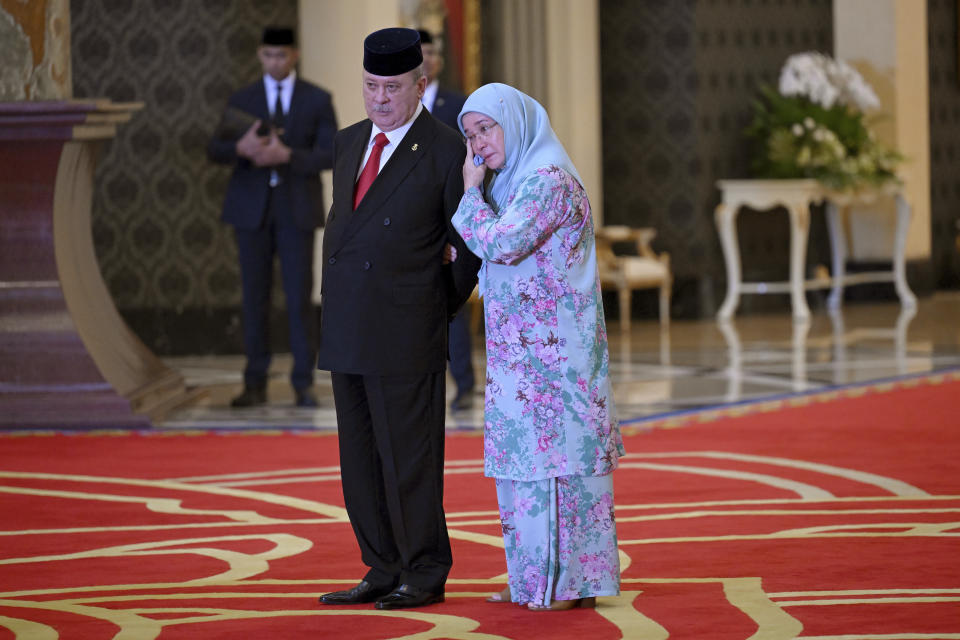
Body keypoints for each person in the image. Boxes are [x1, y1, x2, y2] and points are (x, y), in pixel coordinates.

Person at [315, 28, 480, 610]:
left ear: (419, 85)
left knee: (409, 459)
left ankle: (424, 571)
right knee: (358, 460)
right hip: (346, 324)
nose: (380, 98)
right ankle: (381, 566)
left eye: (392, 87)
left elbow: (466, 247)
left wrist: (434, 306)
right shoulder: (347, 142)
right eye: (370, 86)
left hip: (407, 326)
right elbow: (343, 225)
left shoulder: (444, 148)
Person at [451, 83, 624, 611]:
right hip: (525, 355)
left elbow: (502, 244)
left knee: (551, 470)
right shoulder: (516, 181)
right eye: (470, 135)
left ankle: (559, 583)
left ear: (517, 121)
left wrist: (468, 193)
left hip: (554, 361)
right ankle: (539, 580)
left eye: (486, 128)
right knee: (526, 468)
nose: (478, 144)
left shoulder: (545, 180)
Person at [208, 26, 337, 408]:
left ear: (295, 55)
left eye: (282, 55)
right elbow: (213, 149)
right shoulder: (242, 97)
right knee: (254, 298)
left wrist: (289, 156)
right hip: (251, 212)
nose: (275, 62)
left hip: (296, 210)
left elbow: (333, 153)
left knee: (299, 298)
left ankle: (302, 382)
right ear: (260, 56)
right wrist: (240, 147)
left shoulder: (317, 99)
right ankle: (254, 382)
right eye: (269, 55)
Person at [417, 28, 476, 412]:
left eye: (431, 54)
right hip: (415, 223)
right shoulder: (399, 109)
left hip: (452, 217)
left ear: (438, 61)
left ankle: (465, 383)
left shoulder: (459, 105)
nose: (426, 60)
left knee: (455, 300)